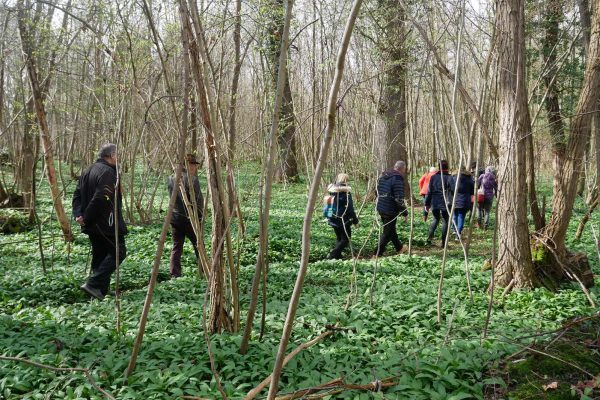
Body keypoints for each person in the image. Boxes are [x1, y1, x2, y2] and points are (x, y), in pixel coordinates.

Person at [72, 143, 127, 300]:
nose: (119, 158)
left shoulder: (88, 170)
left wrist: (79, 215)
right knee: (119, 252)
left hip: (91, 223)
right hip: (105, 223)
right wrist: (86, 217)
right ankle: (94, 284)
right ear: (111, 155)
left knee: (100, 255)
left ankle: (99, 291)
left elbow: (76, 195)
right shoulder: (108, 172)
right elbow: (102, 198)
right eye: (118, 154)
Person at [167, 153, 204, 278]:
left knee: (177, 246)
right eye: (192, 164)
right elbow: (198, 200)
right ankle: (204, 270)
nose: (195, 167)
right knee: (198, 244)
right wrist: (200, 216)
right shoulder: (192, 180)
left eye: (195, 165)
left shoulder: (171, 178)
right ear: (185, 165)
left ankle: (174, 273)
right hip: (189, 219)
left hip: (175, 217)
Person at [375, 161, 408, 256]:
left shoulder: (383, 176)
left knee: (391, 230)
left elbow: (376, 192)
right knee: (387, 232)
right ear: (402, 169)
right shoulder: (397, 179)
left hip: (381, 207)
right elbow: (399, 198)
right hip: (390, 210)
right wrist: (404, 212)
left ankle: (400, 248)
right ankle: (377, 253)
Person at [325, 173, 359, 259]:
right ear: (346, 181)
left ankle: (337, 256)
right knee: (346, 239)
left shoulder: (331, 192)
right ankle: (333, 255)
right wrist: (355, 222)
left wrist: (329, 218)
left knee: (339, 238)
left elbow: (328, 204)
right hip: (343, 220)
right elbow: (350, 209)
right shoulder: (346, 194)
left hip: (332, 218)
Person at [424, 160, 452, 246]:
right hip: (445, 203)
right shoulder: (450, 178)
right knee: (445, 221)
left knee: (436, 219)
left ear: (439, 167)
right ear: (447, 167)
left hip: (435, 202)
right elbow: (454, 191)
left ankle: (429, 238)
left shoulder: (433, 177)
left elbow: (429, 192)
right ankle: (443, 243)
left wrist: (427, 204)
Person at [449, 166, 474, 239]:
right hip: (465, 200)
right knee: (461, 216)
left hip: (454, 199)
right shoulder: (469, 178)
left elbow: (450, 188)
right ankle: (458, 233)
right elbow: (472, 190)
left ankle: (454, 229)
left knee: (454, 215)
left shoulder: (453, 177)